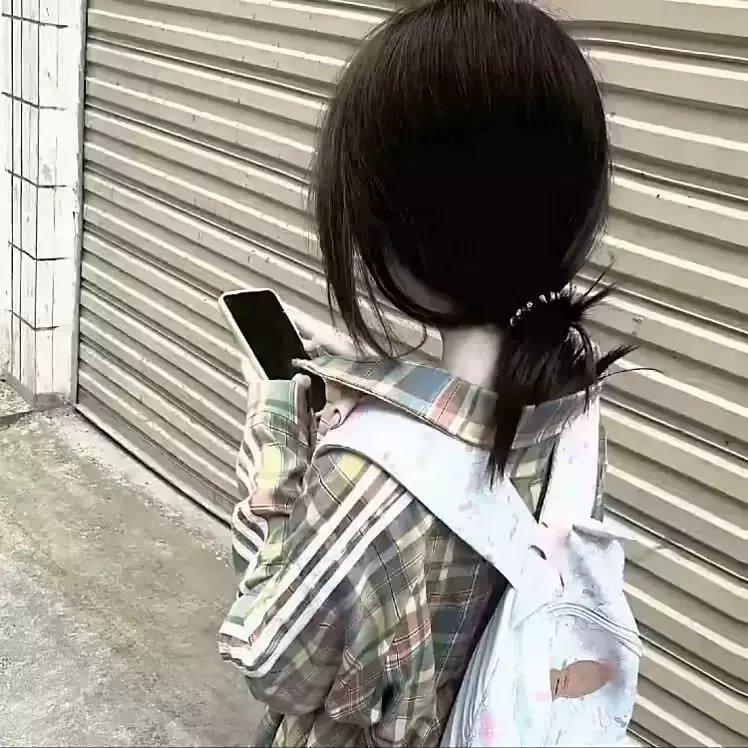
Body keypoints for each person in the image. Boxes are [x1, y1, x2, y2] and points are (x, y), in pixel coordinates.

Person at [218, 0, 630, 745]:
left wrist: (276, 431)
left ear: (400, 229)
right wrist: (369, 400)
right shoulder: (572, 404)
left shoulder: (368, 480)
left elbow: (272, 659)